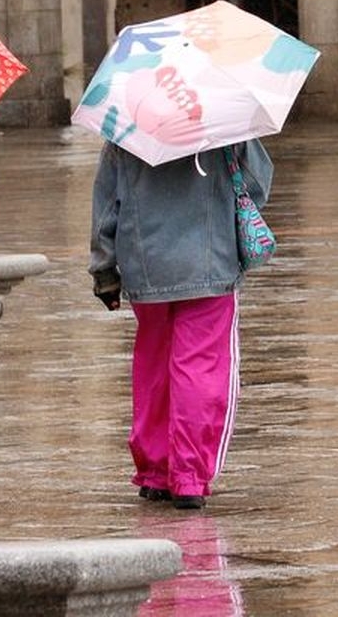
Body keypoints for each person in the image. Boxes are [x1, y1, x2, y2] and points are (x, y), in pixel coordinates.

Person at [88, 139, 272, 510]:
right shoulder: (224, 124)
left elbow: (106, 203)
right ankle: (189, 475)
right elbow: (257, 184)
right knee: (202, 367)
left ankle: (155, 471)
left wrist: (104, 270)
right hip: (210, 263)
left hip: (146, 267)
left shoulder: (126, 130)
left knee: (153, 367)